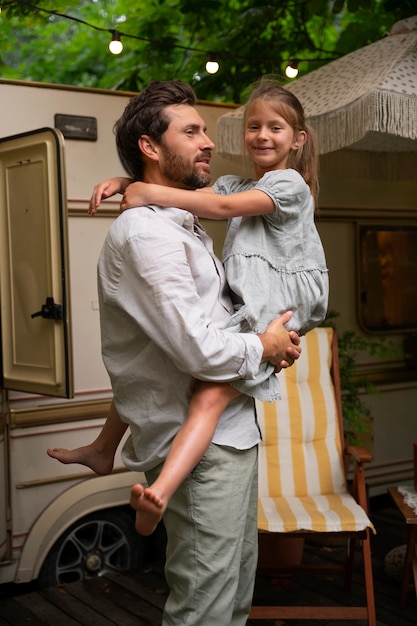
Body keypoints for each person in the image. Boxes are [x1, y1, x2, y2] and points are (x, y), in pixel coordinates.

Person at [49, 79, 301, 626]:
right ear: (150, 147)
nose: (208, 141)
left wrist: (135, 184)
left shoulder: (180, 223)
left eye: (205, 129)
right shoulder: (148, 236)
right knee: (203, 608)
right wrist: (265, 343)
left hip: (231, 436)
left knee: (232, 594)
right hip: (201, 452)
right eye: (191, 131)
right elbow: (201, 351)